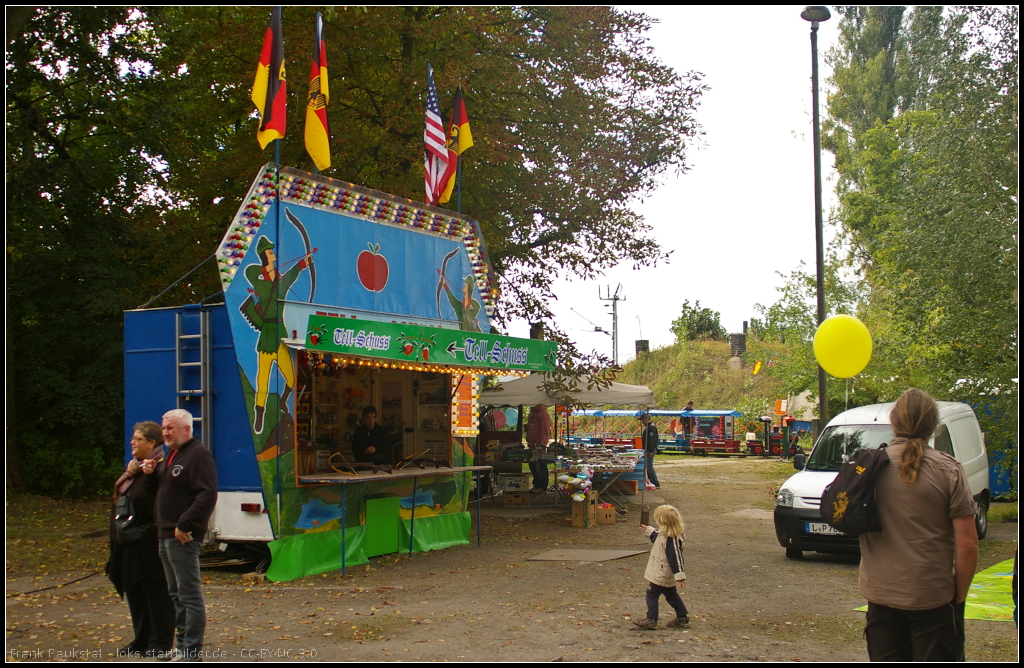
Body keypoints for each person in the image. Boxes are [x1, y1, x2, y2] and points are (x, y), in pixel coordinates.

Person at [859, 388, 978, 662]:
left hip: (881, 594)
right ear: (934, 426)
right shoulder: (949, 471)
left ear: (894, 421)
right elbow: (968, 544)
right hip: (932, 596)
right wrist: (958, 595)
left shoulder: (869, 468)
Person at [141, 409, 217, 662]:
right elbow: (162, 492)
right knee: (175, 594)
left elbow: (206, 495)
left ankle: (191, 651)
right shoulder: (172, 455)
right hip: (165, 534)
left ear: (186, 429)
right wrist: (151, 476)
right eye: (164, 428)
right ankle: (182, 645)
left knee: (189, 595)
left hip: (182, 536)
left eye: (170, 428)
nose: (165, 433)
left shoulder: (198, 455)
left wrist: (185, 524)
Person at [107, 421, 175, 658]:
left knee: (156, 593)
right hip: (128, 542)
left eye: (138, 439)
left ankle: (160, 642)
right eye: (133, 439)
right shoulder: (134, 470)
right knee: (135, 590)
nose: (132, 443)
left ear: (152, 443)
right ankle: (141, 639)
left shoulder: (158, 468)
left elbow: (160, 503)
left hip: (149, 542)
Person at [632, 505, 689, 630]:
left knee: (651, 594)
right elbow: (657, 538)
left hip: (662, 571)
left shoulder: (671, 539)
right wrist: (650, 531)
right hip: (663, 571)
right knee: (671, 594)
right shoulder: (666, 534)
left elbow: (675, 557)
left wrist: (679, 574)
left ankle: (651, 619)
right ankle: (682, 616)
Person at [526, 404, 552, 493]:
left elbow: (544, 430)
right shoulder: (531, 413)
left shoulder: (543, 414)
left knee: (539, 465)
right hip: (531, 443)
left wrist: (541, 444)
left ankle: (542, 486)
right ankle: (536, 485)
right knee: (532, 465)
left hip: (539, 444)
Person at [640, 413, 660, 489]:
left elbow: (651, 440)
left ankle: (655, 482)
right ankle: (651, 481)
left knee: (649, 466)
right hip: (648, 449)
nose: (642, 422)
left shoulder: (651, 427)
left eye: (642, 420)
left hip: (650, 449)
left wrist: (650, 450)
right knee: (648, 465)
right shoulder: (649, 427)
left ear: (645, 419)